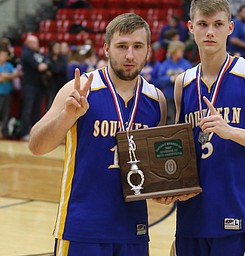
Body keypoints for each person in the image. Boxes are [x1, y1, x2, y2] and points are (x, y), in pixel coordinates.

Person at [154, 0, 245, 255]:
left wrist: (231, 132)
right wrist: (166, 186)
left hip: (239, 217)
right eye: (203, 25)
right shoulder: (182, 83)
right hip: (191, 220)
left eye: (217, 25)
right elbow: (181, 151)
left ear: (230, 27)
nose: (210, 32)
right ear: (190, 27)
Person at [28, 13, 166, 256]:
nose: (130, 55)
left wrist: (166, 191)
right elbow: (36, 145)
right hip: (83, 228)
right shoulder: (80, 89)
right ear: (106, 48)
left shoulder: (157, 101)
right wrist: (68, 116)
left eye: (137, 46)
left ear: (148, 51)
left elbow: (154, 171)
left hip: (134, 229)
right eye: (122, 46)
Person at [18, 34, 49, 140]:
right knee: (28, 109)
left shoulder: (37, 53)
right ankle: (24, 132)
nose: (38, 44)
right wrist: (45, 65)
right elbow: (41, 67)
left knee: (37, 110)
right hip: (29, 85)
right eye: (35, 42)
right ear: (29, 43)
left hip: (38, 85)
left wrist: (45, 64)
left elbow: (47, 62)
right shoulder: (26, 54)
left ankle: (35, 132)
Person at [157, 40, 192, 124]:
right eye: (180, 51)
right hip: (169, 97)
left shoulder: (185, 63)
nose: (182, 53)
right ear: (174, 51)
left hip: (182, 97)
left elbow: (191, 77)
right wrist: (171, 79)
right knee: (171, 119)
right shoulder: (165, 64)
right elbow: (159, 80)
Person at [0, 47, 21, 138]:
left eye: (5, 55)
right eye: (1, 55)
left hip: (7, 92)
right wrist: (10, 76)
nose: (3, 57)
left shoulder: (8, 65)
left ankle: (5, 131)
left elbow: (17, 74)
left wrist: (6, 76)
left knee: (6, 112)